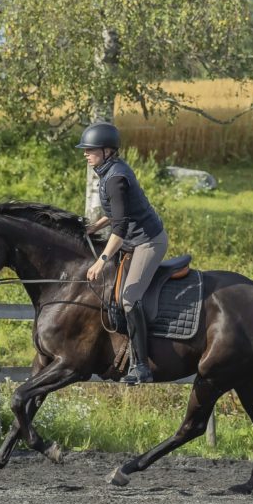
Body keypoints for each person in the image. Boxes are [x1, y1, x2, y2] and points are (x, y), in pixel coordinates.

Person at [77, 122, 167, 385]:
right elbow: (117, 215)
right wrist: (96, 226)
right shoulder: (107, 172)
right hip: (129, 240)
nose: (85, 153)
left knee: (129, 298)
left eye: (90, 149)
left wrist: (101, 260)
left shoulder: (115, 178)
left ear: (107, 150)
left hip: (148, 242)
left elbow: (122, 226)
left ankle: (141, 366)